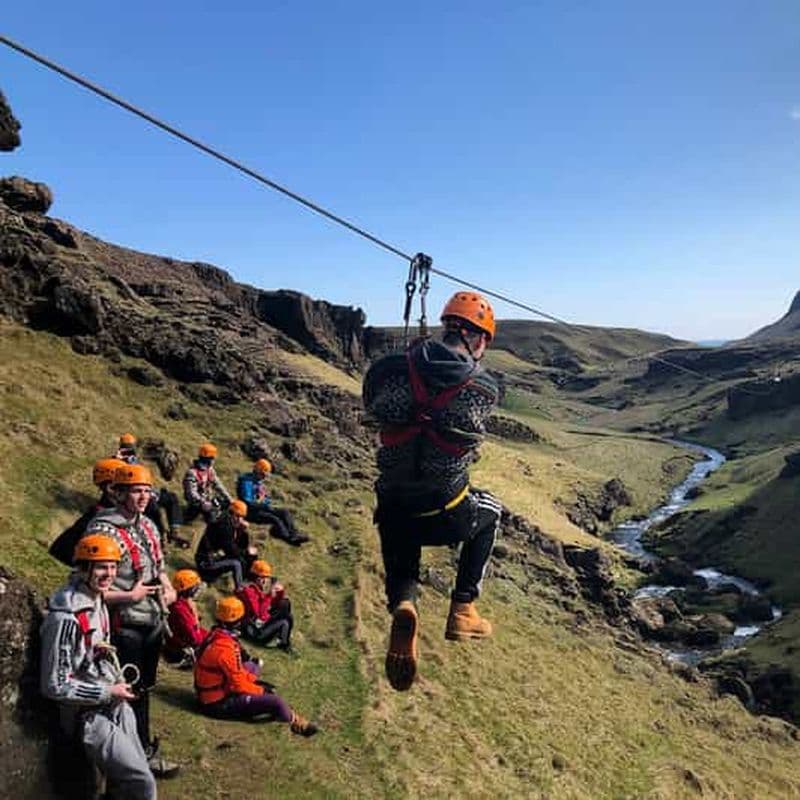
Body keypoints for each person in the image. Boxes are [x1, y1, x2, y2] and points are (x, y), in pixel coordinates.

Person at [362, 292, 502, 691]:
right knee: (491, 510)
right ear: (479, 340)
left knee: (400, 535)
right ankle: (463, 609)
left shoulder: (389, 368)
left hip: (394, 504)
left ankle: (404, 603)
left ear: (445, 326)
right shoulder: (484, 387)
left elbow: (371, 398)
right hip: (447, 509)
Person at [40, 534, 157, 800]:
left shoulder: (97, 601)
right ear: (84, 568)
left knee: (138, 774)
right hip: (87, 716)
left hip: (111, 704)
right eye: (102, 567)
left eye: (113, 566)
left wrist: (100, 652)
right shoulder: (67, 617)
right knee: (143, 784)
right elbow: (53, 685)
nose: (110, 574)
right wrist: (108, 693)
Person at [83, 463, 180, 777]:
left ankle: (141, 753)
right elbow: (89, 588)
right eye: (136, 490)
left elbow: (159, 568)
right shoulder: (103, 530)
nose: (143, 496)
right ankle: (128, 761)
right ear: (120, 492)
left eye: (146, 490)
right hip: (122, 626)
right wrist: (131, 596)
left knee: (144, 689)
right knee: (125, 692)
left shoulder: (149, 526)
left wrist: (168, 590)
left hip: (151, 621)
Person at [194, 596, 317, 736]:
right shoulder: (225, 649)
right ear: (236, 622)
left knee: (251, 666)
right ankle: (294, 720)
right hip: (217, 703)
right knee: (275, 701)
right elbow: (238, 685)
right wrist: (260, 690)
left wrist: (251, 679)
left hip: (213, 692)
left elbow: (236, 675)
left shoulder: (215, 634)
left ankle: (260, 697)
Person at [116, 433, 189, 549]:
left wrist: (153, 492)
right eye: (127, 447)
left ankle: (175, 530)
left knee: (171, 498)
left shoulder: (135, 460)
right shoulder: (118, 462)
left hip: (147, 492)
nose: (129, 450)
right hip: (134, 495)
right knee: (154, 510)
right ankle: (160, 538)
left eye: (130, 447)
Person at [49, 457, 127, 566]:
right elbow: (60, 550)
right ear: (110, 488)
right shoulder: (97, 517)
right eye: (127, 487)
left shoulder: (115, 513)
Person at [236, 459, 310, 546]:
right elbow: (247, 502)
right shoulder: (247, 482)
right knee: (274, 519)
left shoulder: (258, 483)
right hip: (250, 512)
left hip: (259, 508)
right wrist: (263, 505)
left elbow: (265, 499)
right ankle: (288, 538)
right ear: (258, 471)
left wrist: (265, 502)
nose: (264, 477)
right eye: (263, 474)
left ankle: (294, 534)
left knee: (284, 512)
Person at [194, 499, 256, 589]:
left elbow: (236, 546)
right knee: (236, 563)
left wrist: (241, 531)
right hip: (206, 564)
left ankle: (248, 580)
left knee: (247, 554)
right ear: (231, 513)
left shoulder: (229, 523)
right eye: (237, 516)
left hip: (214, 557)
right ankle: (241, 589)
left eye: (242, 517)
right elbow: (232, 551)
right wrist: (246, 552)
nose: (240, 520)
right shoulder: (223, 526)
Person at [236, 560, 294, 650]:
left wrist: (279, 593)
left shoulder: (255, 588)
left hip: (258, 624)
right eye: (265, 578)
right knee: (285, 619)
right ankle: (283, 643)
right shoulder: (248, 591)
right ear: (259, 578)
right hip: (255, 631)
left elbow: (268, 604)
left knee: (285, 604)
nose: (266, 581)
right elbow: (260, 615)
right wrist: (270, 595)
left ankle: (283, 639)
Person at [162, 569, 208, 666]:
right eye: (195, 587)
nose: (197, 589)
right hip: (182, 647)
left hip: (184, 640)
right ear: (189, 589)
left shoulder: (182, 604)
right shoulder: (180, 609)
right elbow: (194, 638)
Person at [183, 443, 231, 524]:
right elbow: (191, 493)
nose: (214, 461)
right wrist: (203, 502)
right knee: (211, 516)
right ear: (208, 459)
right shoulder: (192, 473)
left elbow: (218, 484)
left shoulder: (210, 470)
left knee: (226, 504)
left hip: (208, 499)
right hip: (197, 502)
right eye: (212, 458)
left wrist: (229, 499)